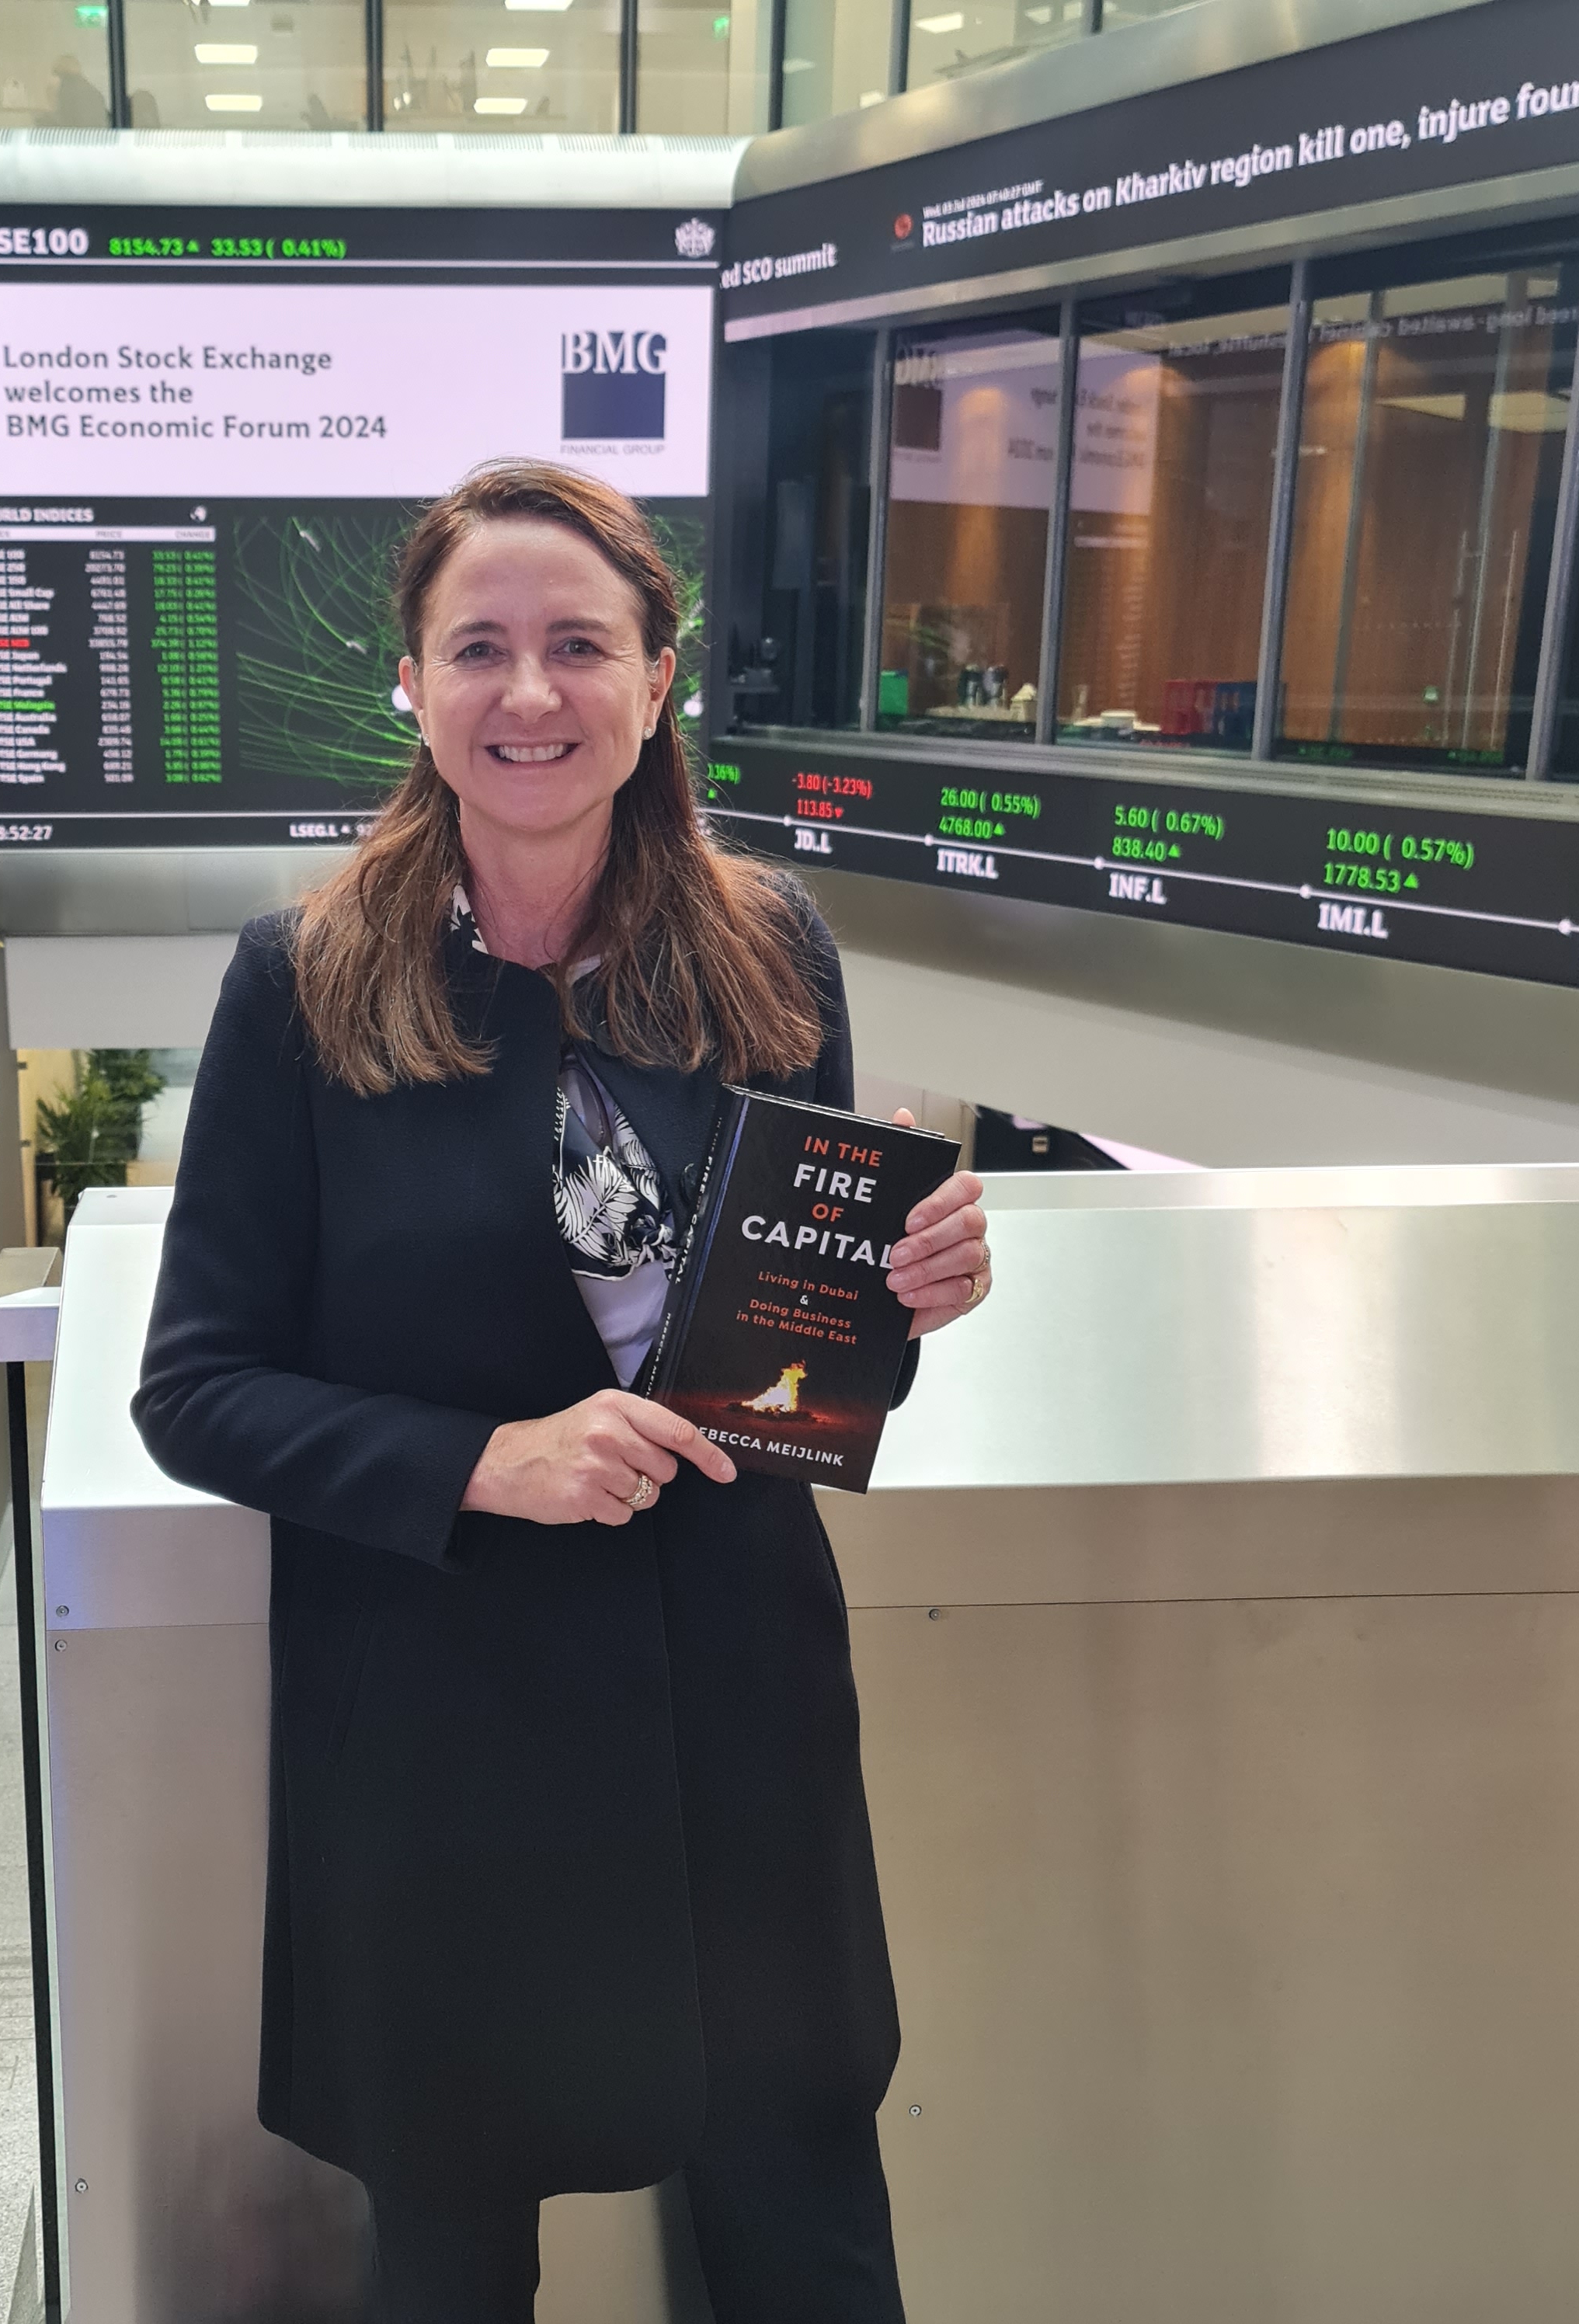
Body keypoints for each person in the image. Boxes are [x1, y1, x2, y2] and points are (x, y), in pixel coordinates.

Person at [134, 461, 994, 2322]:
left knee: (806, 2234)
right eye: (478, 648)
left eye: (579, 645)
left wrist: (902, 1300)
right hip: (445, 1735)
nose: (529, 693)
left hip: (733, 1711)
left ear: (656, 679)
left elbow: (789, 1364)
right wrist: (484, 1459)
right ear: (411, 685)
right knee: (451, 2256)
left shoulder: (767, 945)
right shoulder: (305, 981)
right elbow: (195, 1388)